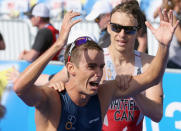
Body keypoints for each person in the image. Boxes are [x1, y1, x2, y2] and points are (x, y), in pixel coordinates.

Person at [13, 5, 178, 130]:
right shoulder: (52, 97)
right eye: (92, 67)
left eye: (102, 67)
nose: (99, 73)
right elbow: (22, 87)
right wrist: (58, 45)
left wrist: (163, 45)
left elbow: (153, 77)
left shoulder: (106, 91)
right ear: (71, 69)